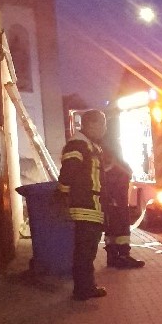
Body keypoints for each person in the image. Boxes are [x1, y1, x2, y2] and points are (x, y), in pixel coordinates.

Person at [55, 108, 108, 301]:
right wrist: (65, 196)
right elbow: (68, 173)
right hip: (85, 205)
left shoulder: (89, 145)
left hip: (91, 205)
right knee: (85, 250)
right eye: (102, 124)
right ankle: (83, 289)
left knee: (88, 249)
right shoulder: (78, 145)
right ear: (90, 124)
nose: (104, 129)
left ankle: (86, 286)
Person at [101, 145, 145, 269]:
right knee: (122, 231)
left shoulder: (102, 167)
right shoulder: (119, 168)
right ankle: (123, 257)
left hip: (109, 205)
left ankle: (112, 257)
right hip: (119, 204)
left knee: (111, 231)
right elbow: (124, 179)